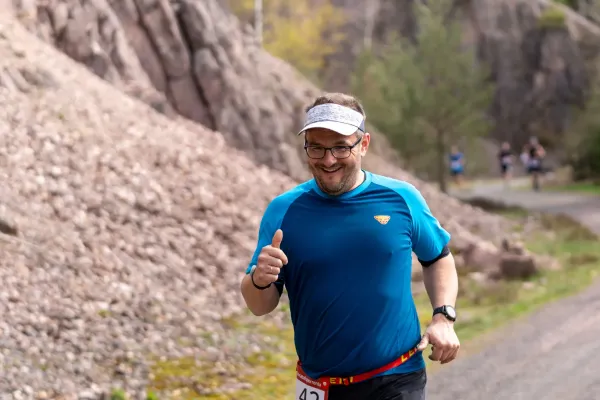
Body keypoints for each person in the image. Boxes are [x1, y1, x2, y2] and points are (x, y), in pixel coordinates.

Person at [240, 92, 460, 400]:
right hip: (320, 387)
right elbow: (258, 305)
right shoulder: (283, 211)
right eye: (316, 148)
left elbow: (438, 257)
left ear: (364, 144)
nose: (328, 160)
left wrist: (443, 317)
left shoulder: (401, 199)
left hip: (396, 379)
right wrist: (259, 280)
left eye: (341, 147)